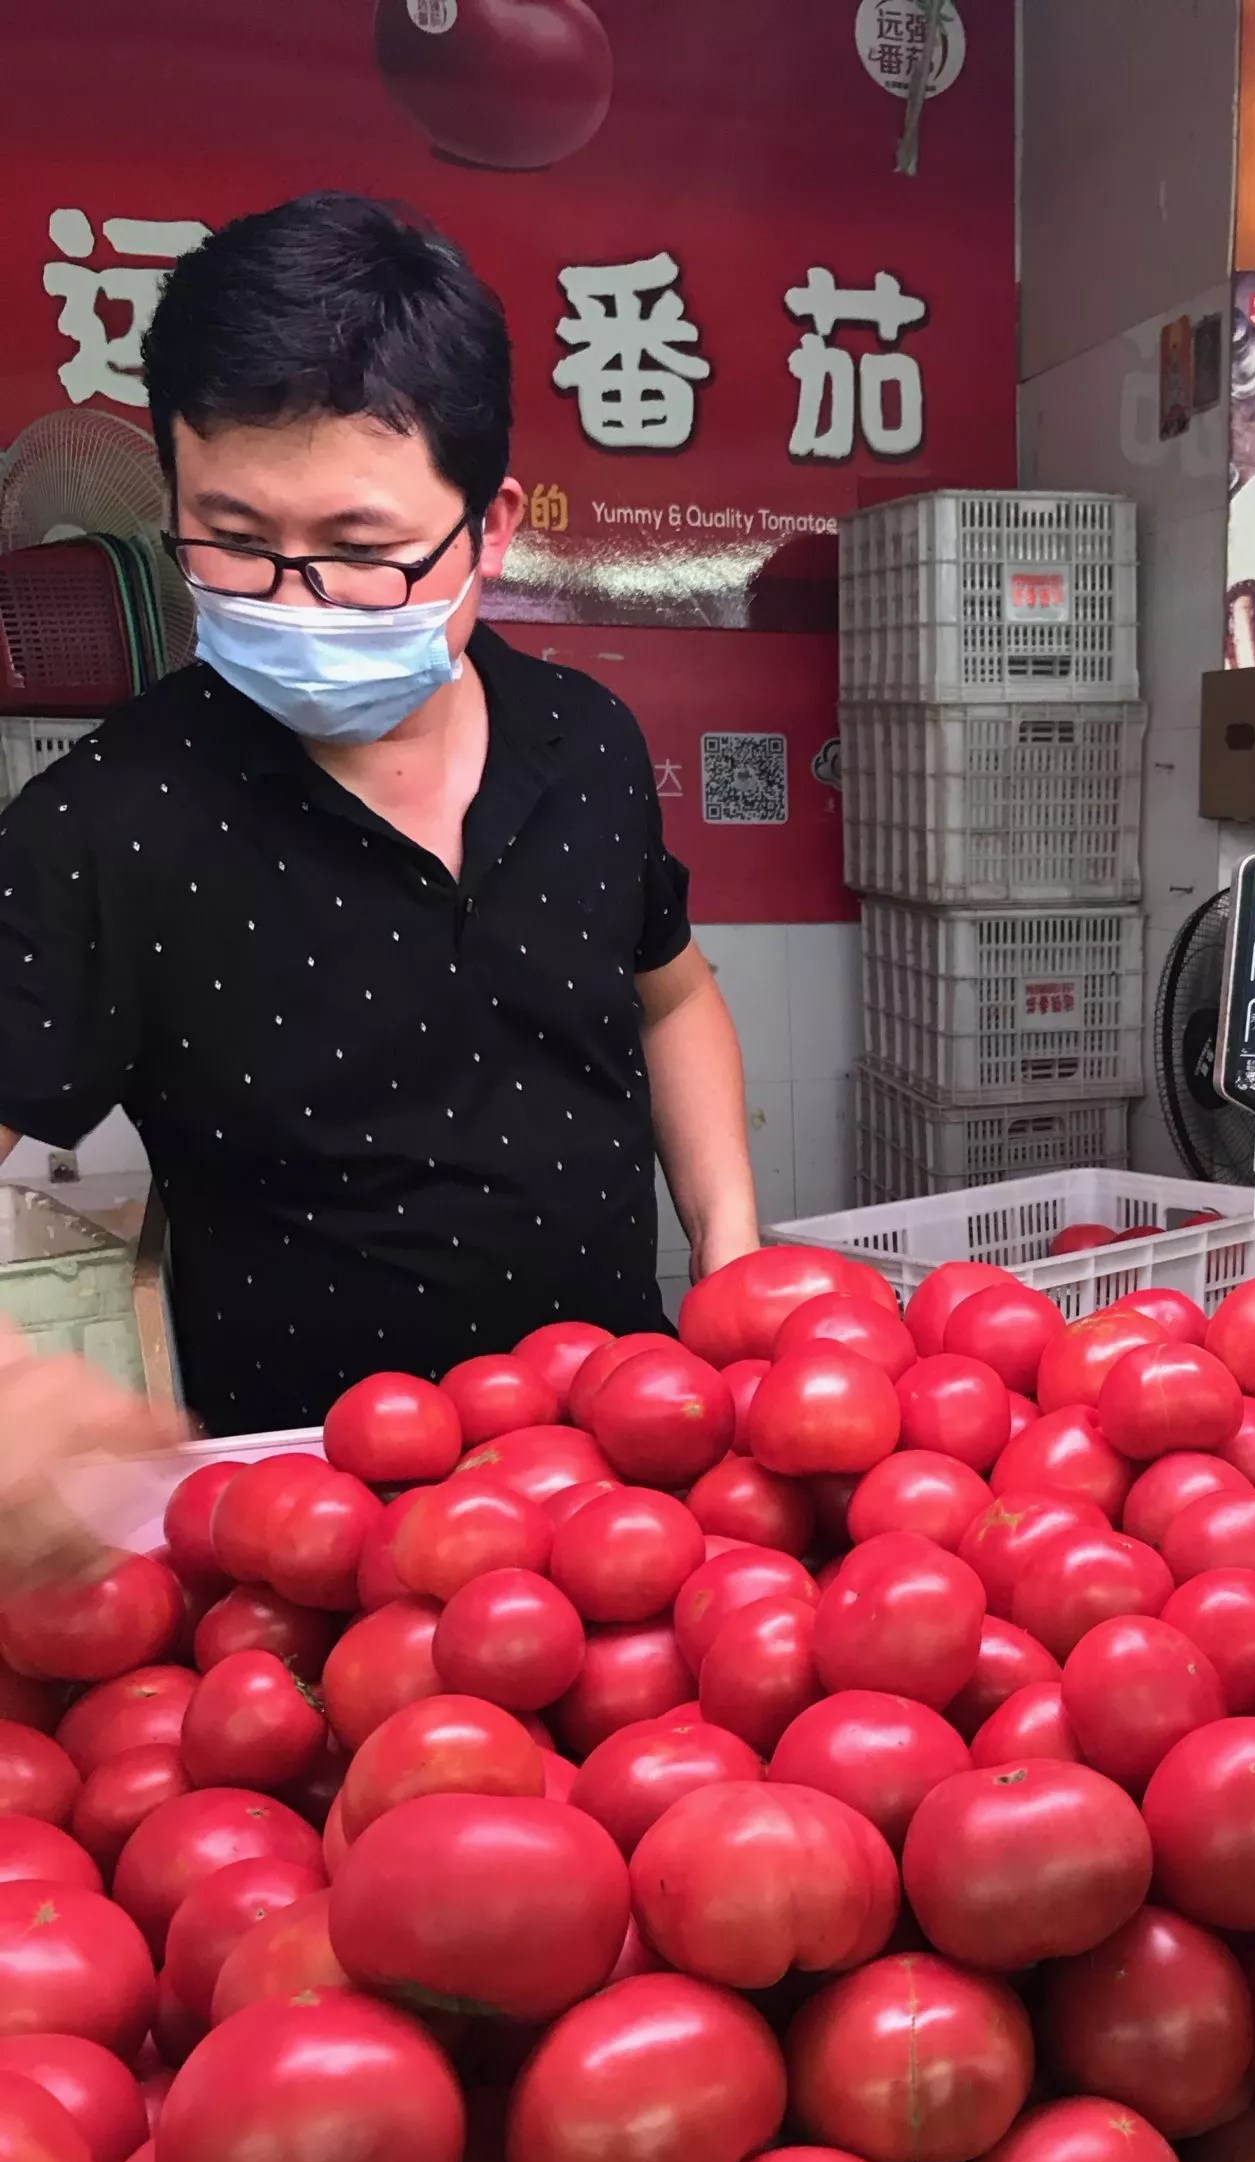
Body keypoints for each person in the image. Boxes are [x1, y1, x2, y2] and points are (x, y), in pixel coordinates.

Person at [0, 191, 758, 1462]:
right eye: (234, 541)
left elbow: (672, 995)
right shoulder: (108, 821)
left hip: (629, 1468)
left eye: (363, 550)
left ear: (490, 530)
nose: (298, 599)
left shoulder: (587, 742)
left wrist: (730, 1254)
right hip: (311, 1519)